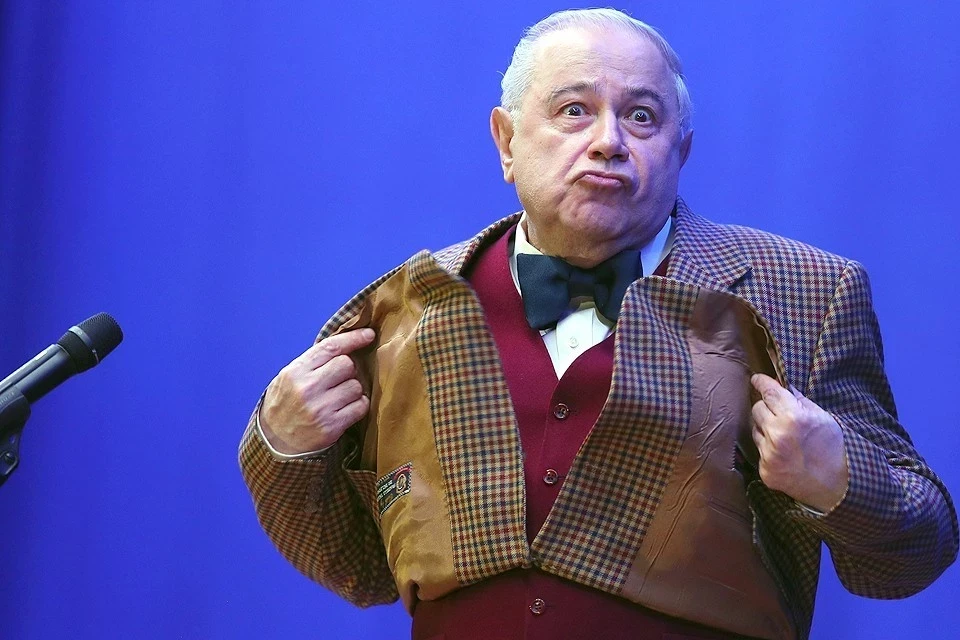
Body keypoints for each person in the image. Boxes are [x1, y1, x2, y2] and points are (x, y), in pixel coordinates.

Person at [239, 8, 958, 640]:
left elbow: (914, 554)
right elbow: (357, 566)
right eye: (574, 110)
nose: (609, 140)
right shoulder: (406, 310)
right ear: (506, 140)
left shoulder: (802, 292)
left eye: (641, 116)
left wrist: (838, 479)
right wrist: (282, 446)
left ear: (681, 150)